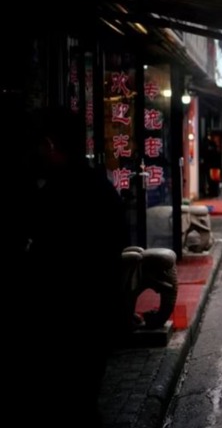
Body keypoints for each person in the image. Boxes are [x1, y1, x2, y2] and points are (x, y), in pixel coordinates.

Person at [25, 107, 130, 426]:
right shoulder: (100, 187)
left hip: (65, 320)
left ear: (50, 144)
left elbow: (47, 258)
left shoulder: (56, 194)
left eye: (40, 145)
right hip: (94, 315)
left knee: (68, 401)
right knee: (83, 398)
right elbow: (118, 242)